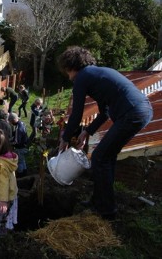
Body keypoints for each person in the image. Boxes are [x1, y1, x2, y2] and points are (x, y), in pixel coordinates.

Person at [58, 46, 153, 220]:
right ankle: (98, 201)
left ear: (71, 67)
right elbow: (105, 112)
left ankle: (107, 211)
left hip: (132, 113)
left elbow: (76, 114)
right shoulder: (97, 75)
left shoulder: (82, 78)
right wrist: (87, 131)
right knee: (106, 157)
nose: (68, 77)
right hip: (141, 110)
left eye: (67, 72)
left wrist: (64, 138)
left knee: (100, 158)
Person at [8, 113, 29, 177]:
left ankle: (20, 174)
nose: (11, 123)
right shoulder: (22, 123)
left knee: (19, 161)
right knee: (22, 160)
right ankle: (25, 172)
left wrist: (9, 143)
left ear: (13, 120)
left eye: (10, 121)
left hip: (20, 148)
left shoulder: (18, 128)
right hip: (25, 145)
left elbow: (16, 141)